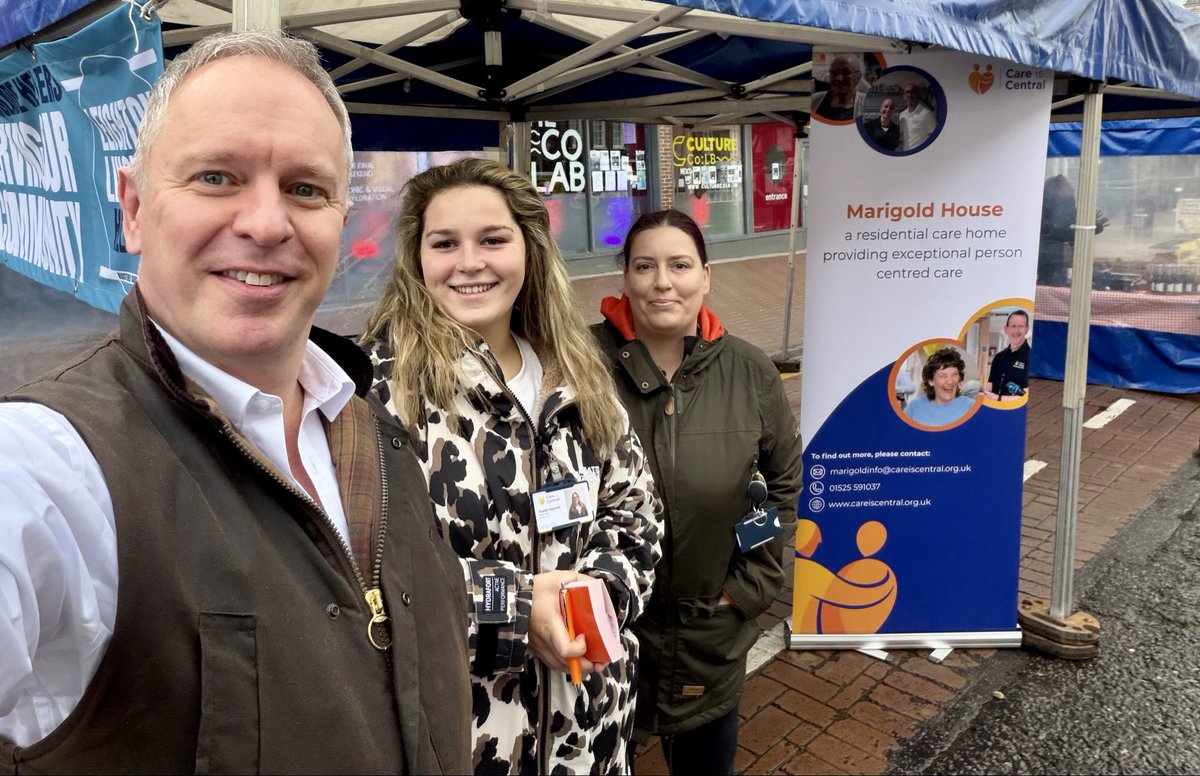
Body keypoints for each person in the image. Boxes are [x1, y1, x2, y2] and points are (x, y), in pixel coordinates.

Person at [0, 32, 472, 773]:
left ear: (340, 222)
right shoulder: (52, 465)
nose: (265, 223)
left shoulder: (373, 431)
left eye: (305, 189)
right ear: (132, 210)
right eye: (217, 177)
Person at [362, 158, 662, 775]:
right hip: (460, 741)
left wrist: (590, 598)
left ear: (528, 248)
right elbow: (363, 569)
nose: (469, 262)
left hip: (588, 732)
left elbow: (636, 512)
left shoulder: (573, 369)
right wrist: (515, 608)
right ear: (417, 260)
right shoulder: (376, 394)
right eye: (444, 243)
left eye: (493, 239)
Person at [592, 210, 803, 775]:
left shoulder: (750, 371)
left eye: (679, 265)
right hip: (603, 638)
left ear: (705, 276)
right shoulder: (578, 363)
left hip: (709, 637)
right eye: (645, 266)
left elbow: (781, 484)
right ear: (626, 278)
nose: (663, 281)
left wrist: (747, 583)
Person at [1038, 174, 1109, 287]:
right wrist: (1089, 228)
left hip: (1056, 258)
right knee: (1051, 287)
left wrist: (1091, 226)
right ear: (1059, 190)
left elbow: (1071, 229)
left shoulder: (1062, 206)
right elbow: (1062, 231)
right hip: (1050, 258)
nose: (1073, 189)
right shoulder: (1057, 206)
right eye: (1068, 186)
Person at [903, 347, 977, 426]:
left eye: (954, 374)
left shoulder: (971, 406)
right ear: (931, 381)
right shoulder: (914, 408)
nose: (950, 381)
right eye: (943, 376)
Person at [984, 310, 1032, 399]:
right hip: (994, 408)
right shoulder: (998, 357)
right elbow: (990, 385)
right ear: (1006, 329)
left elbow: (1027, 395)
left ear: (1026, 329)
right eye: (1013, 326)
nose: (1016, 331)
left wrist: (998, 398)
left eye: (1020, 326)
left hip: (1017, 411)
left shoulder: (1032, 358)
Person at [811, 54, 861, 121]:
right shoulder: (815, 100)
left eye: (846, 73)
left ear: (858, 77)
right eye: (834, 73)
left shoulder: (866, 105)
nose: (839, 78)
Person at [898, 81, 937, 150]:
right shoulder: (902, 115)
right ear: (904, 96)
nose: (909, 95)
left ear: (918, 94)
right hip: (906, 153)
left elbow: (935, 137)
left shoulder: (927, 114)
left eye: (913, 92)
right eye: (907, 92)